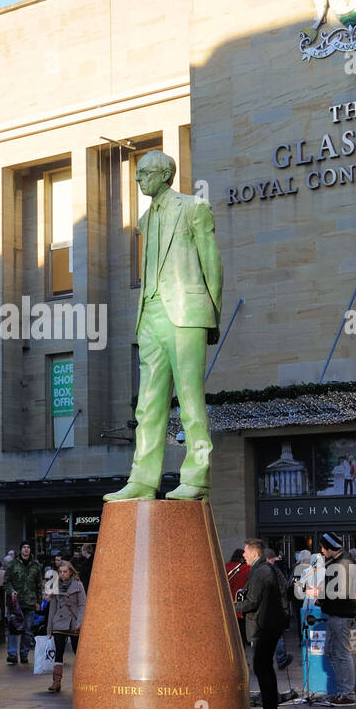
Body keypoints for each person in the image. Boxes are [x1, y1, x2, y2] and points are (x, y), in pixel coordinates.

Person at [104, 148, 222, 503]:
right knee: (148, 404)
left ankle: (197, 475)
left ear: (162, 175)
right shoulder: (144, 220)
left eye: (143, 173)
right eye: (138, 173)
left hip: (186, 314)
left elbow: (212, 265)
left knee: (189, 399)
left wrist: (211, 316)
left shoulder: (193, 208)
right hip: (151, 316)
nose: (138, 179)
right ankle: (142, 479)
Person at [239, 537, 287, 709]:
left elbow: (252, 602)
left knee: (262, 667)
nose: (243, 554)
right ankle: (270, 708)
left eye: (245, 551)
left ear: (254, 553)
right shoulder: (264, 570)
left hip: (264, 626)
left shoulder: (260, 572)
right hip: (267, 624)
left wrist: (230, 606)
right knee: (264, 666)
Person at [316, 532, 356, 706]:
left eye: (324, 548)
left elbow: (339, 592)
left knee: (341, 653)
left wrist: (319, 594)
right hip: (337, 614)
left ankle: (347, 693)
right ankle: (343, 692)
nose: (322, 552)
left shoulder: (343, 564)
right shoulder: (338, 562)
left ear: (330, 548)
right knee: (333, 652)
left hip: (341, 615)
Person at [46, 560, 86, 694]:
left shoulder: (78, 585)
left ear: (70, 572)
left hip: (74, 622)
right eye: (60, 572)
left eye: (65, 572)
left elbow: (82, 605)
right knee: (59, 651)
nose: (63, 574)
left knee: (78, 652)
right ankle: (56, 682)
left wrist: (80, 621)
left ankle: (83, 680)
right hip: (59, 621)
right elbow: (52, 608)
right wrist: (49, 628)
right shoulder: (55, 585)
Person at [5, 542, 42, 665]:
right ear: (20, 550)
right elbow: (7, 582)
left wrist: (39, 601)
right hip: (16, 603)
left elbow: (39, 585)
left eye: (28, 547)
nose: (26, 550)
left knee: (27, 630)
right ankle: (12, 654)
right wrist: (11, 591)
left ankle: (24, 654)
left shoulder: (35, 565)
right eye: (24, 547)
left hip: (30, 602)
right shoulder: (12, 564)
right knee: (14, 629)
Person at [265, 548, 293, 670]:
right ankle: (280, 659)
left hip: (266, 607)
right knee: (276, 635)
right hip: (275, 606)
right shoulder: (274, 570)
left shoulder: (259, 570)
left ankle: (265, 662)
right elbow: (285, 586)